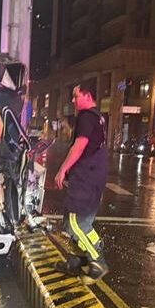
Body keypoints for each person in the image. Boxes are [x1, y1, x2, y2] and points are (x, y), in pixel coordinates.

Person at [53, 85, 109, 282]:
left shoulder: (86, 116)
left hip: (86, 178)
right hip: (94, 178)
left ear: (87, 95)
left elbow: (80, 145)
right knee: (73, 222)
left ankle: (97, 261)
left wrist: (63, 169)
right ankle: (78, 261)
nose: (73, 101)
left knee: (76, 222)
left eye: (76, 96)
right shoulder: (98, 117)